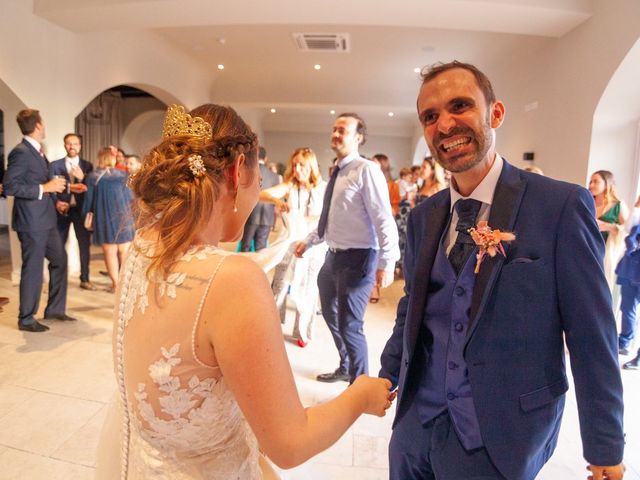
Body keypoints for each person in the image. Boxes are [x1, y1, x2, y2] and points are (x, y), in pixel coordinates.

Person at [96, 104, 394, 479]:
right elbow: (289, 443)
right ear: (239, 172)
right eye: (259, 182)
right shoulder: (232, 280)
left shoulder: (142, 247)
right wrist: (360, 396)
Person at [379, 61, 625, 480]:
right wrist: (386, 377)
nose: (445, 124)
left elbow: (591, 332)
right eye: (430, 116)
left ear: (495, 113)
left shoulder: (560, 206)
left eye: (460, 106)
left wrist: (605, 445)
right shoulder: (424, 216)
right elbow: (413, 308)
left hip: (502, 435)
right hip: (415, 429)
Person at [295, 113, 399, 383]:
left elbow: (383, 218)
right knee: (331, 315)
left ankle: (359, 384)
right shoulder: (337, 172)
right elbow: (331, 217)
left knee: (351, 325)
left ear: (358, 138)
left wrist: (387, 262)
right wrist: (309, 240)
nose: (336, 134)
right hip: (333, 258)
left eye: (342, 130)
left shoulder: (367, 170)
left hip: (360, 258)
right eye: (334, 129)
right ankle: (346, 366)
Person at [3, 109, 75, 332]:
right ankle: (26, 319)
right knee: (33, 269)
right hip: (31, 223)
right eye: (43, 122)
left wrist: (55, 199)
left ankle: (54, 309)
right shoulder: (21, 152)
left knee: (60, 260)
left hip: (47, 219)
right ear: (38, 126)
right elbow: (10, 186)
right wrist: (45, 187)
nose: (44, 126)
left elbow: (40, 182)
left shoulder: (38, 151)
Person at [260, 147, 327, 347]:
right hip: (289, 243)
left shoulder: (323, 188)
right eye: (295, 164)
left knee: (308, 287)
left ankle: (302, 332)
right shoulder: (290, 186)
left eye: (302, 165)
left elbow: (328, 215)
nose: (297, 169)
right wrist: (276, 201)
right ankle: (271, 327)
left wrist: (308, 221)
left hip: (313, 245)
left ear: (311, 166)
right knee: (279, 285)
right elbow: (262, 194)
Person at [83, 147, 134, 293]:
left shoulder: (93, 177)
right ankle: (124, 284)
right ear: (112, 158)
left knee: (109, 252)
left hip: (103, 216)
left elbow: (89, 201)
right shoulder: (123, 174)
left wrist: (84, 215)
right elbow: (131, 198)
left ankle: (116, 285)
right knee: (124, 251)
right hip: (123, 216)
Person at [50, 133, 96, 290]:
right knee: (58, 245)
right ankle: (57, 281)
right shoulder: (55, 165)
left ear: (80, 146)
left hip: (80, 210)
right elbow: (50, 189)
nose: (72, 146)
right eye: (69, 143)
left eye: (75, 144)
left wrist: (83, 178)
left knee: (84, 245)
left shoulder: (88, 166)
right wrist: (56, 203)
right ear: (64, 145)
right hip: (61, 210)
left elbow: (92, 190)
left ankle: (85, 279)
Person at [588, 170, 629, 291]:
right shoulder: (587, 202)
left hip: (605, 253)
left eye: (596, 182)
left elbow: (627, 232)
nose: (591, 185)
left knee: (600, 286)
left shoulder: (618, 205)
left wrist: (608, 226)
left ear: (607, 184)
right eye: (591, 181)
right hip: (587, 247)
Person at [240, 147, 279, 252]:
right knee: (261, 249)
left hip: (251, 215)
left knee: (246, 247)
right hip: (267, 218)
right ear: (265, 158)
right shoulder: (275, 177)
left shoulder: (250, 172)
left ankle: (245, 268)